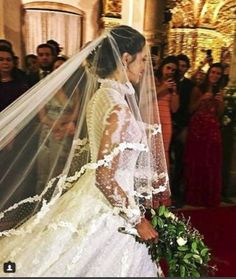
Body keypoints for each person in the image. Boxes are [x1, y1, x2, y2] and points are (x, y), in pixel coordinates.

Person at [0, 25, 170, 276]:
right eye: (143, 59)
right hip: (110, 208)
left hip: (94, 196)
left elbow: (99, 154)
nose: (146, 66)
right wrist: (138, 221)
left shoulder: (101, 97)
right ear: (125, 58)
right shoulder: (118, 107)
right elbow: (104, 175)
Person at [184, 63, 225, 207]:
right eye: (213, 72)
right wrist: (201, 99)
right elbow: (190, 109)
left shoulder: (220, 92)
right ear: (209, 73)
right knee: (197, 162)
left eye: (218, 73)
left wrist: (220, 103)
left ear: (221, 76)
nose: (215, 75)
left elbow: (219, 114)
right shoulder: (197, 89)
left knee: (211, 162)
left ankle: (209, 197)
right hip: (197, 130)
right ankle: (195, 197)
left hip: (212, 130)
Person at [170, 54, 195, 206]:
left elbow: (189, 108)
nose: (180, 69)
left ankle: (176, 192)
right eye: (178, 65)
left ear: (187, 68)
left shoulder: (189, 85)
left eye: (184, 66)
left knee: (179, 160)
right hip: (167, 123)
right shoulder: (168, 82)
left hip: (182, 125)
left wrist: (185, 126)